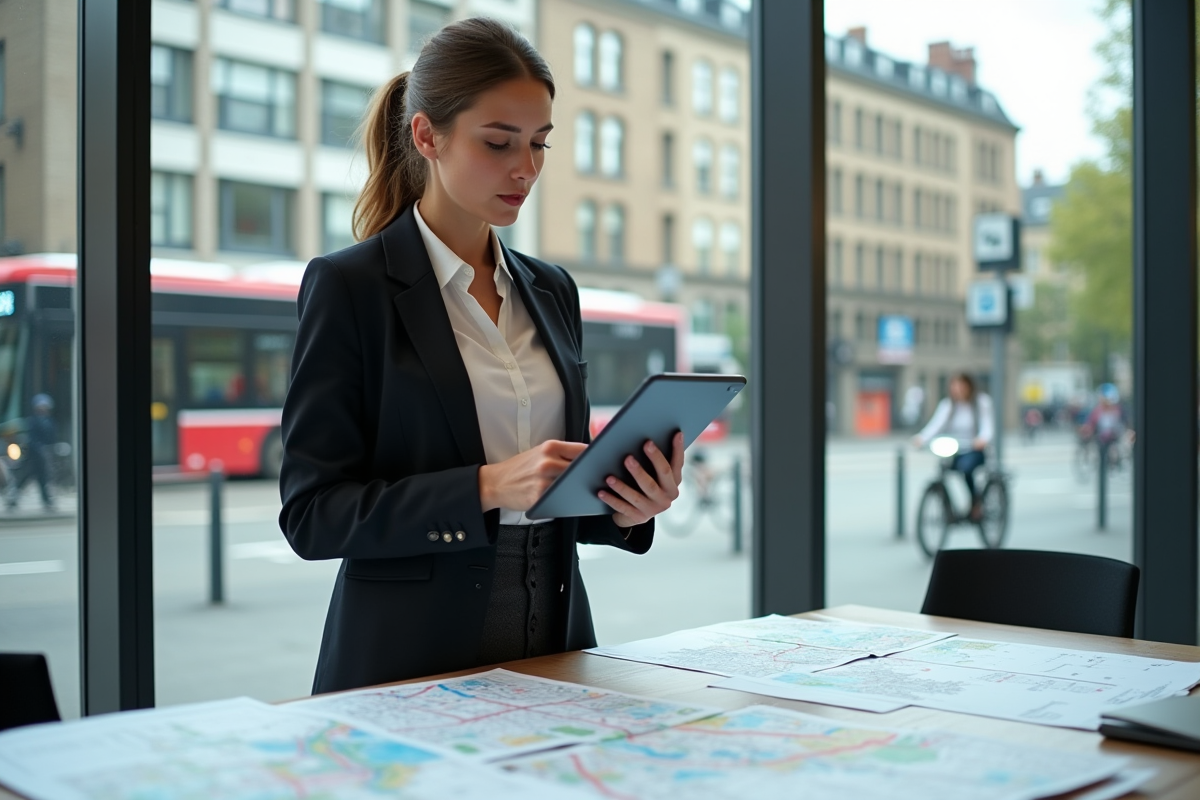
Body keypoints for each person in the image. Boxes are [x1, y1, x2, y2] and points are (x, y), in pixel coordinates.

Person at [279, 18, 683, 695]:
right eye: (498, 143)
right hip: (406, 663)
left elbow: (556, 492)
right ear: (426, 135)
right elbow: (313, 514)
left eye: (539, 143)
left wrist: (626, 505)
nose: (525, 168)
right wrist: (488, 486)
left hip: (554, 646)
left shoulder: (551, 289)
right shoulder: (350, 286)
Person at [911, 373, 994, 521]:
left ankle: (976, 502)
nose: (957, 389)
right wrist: (922, 438)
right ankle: (948, 507)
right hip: (955, 449)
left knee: (966, 469)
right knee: (944, 467)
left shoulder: (980, 402)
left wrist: (982, 439)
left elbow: (987, 425)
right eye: (954, 385)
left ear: (969, 386)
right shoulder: (948, 405)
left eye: (961, 385)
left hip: (973, 449)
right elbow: (936, 425)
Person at [6, 394, 58, 512]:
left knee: (43, 479)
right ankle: (13, 499)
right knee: (25, 478)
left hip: (43, 456)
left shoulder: (49, 421)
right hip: (33, 456)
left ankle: (47, 502)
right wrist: (38, 448)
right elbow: (31, 439)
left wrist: (50, 449)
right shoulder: (33, 421)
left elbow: (52, 438)